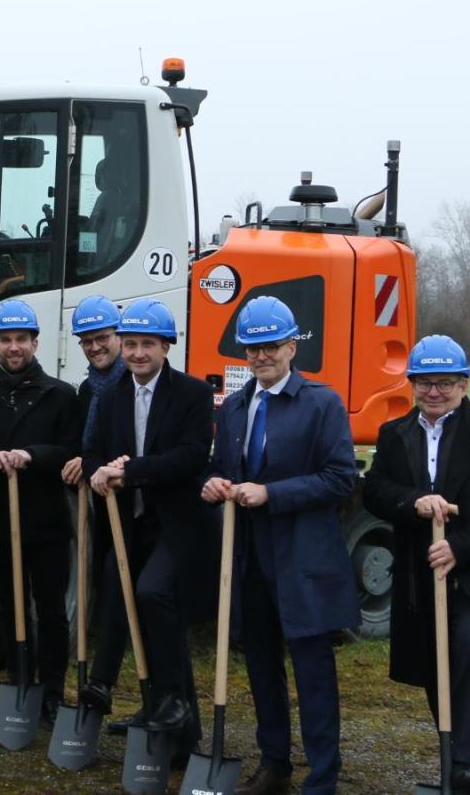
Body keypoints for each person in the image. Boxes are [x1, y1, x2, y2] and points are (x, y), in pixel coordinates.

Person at [200, 295, 359, 795]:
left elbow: (340, 479)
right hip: (249, 557)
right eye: (251, 349)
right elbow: (222, 466)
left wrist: (273, 493)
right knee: (263, 667)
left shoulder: (322, 403)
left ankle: (323, 776)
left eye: (270, 347)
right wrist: (212, 484)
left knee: (313, 673)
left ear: (292, 346)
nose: (260, 357)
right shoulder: (235, 408)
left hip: (304, 557)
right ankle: (274, 767)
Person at [363, 335, 470, 795]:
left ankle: (463, 760)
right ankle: (465, 771)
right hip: (421, 576)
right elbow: (376, 491)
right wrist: (414, 501)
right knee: (436, 666)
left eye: (445, 383)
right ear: (411, 383)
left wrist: (460, 547)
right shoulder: (394, 434)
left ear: (464, 383)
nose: (434, 392)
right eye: (425, 383)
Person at [84, 299, 216, 756]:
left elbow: (191, 456)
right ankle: (148, 705)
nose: (138, 353)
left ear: (166, 347)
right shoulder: (113, 396)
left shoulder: (192, 394)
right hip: (131, 524)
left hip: (178, 525)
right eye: (132, 344)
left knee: (154, 594)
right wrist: (99, 470)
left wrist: (132, 470)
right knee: (117, 594)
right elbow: (95, 451)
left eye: (148, 345)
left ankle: (173, 698)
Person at [0, 299, 80, 721]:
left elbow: (72, 449)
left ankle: (51, 690)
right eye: (5, 340)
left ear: (35, 342)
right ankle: (20, 682)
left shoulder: (59, 394)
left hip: (46, 519)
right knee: (8, 604)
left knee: (49, 606)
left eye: (21, 339)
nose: (13, 347)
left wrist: (31, 455)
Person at [59, 294, 125, 487]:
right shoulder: (87, 389)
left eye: (102, 338)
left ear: (119, 336)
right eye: (87, 341)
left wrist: (88, 462)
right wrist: (83, 460)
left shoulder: (135, 382)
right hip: (101, 495)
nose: (95, 347)